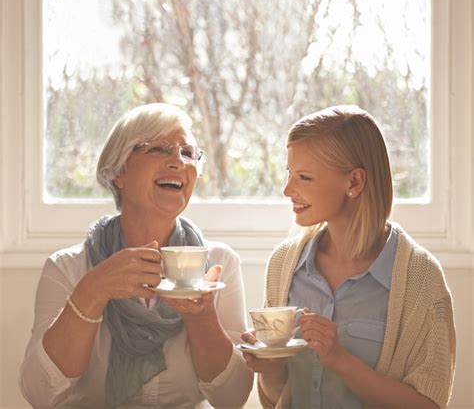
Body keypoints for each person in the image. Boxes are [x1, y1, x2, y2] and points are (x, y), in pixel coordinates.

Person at [19, 103, 253, 408]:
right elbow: (39, 392)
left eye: (187, 152)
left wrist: (203, 316)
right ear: (119, 172)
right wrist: (92, 292)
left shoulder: (220, 265)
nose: (177, 162)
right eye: (158, 149)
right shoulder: (67, 268)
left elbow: (232, 398)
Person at [242, 105, 456, 409]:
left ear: (354, 182)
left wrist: (341, 361)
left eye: (304, 177)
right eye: (289, 174)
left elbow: (430, 405)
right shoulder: (283, 265)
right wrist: (270, 368)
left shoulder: (421, 280)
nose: (287, 189)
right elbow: (277, 398)